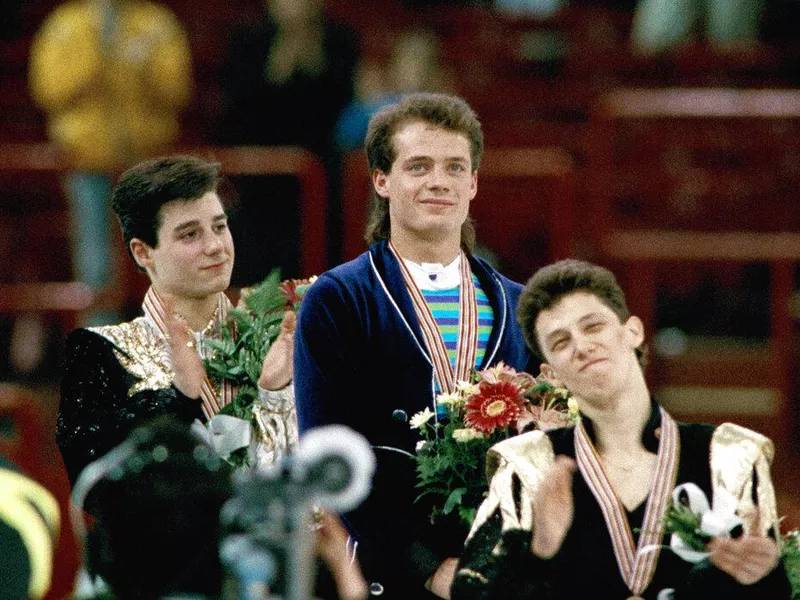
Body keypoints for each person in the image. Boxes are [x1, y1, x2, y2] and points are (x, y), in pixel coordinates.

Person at [295, 92, 536, 599]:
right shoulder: (339, 299)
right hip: (387, 572)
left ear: (473, 183)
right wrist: (425, 566)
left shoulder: (521, 306)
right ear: (382, 180)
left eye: (454, 168)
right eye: (418, 166)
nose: (439, 182)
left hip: (504, 570)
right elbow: (331, 459)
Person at [451, 259, 791, 599]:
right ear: (551, 374)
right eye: (560, 342)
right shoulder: (529, 466)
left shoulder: (727, 457)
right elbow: (471, 592)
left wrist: (763, 577)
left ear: (633, 332)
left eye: (593, 326)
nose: (582, 346)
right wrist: (537, 553)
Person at [56, 155, 296, 488]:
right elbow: (98, 487)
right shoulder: (100, 352)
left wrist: (275, 397)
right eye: (189, 235)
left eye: (219, 226)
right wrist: (181, 398)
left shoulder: (276, 342)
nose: (215, 247)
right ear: (143, 252)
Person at [28, 0, 193, 323]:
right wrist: (101, 53)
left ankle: (163, 347)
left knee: (159, 260)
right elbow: (48, 89)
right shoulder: (67, 25)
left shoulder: (157, 25)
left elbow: (178, 90)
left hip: (147, 167)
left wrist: (139, 66)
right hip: (86, 165)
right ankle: (101, 352)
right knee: (96, 263)